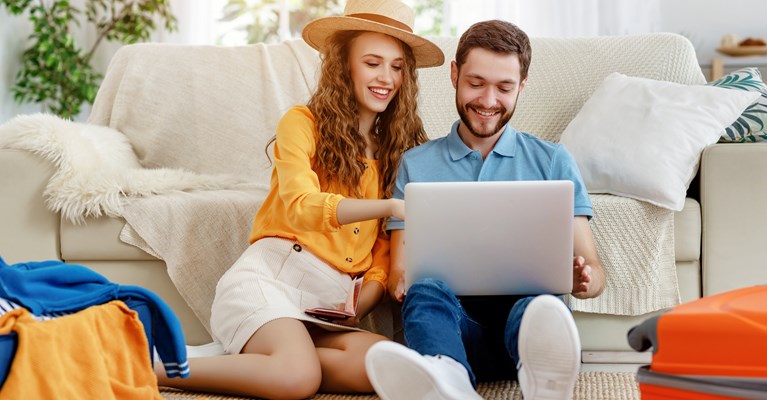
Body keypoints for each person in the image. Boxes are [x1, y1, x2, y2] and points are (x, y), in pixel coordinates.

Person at [154, 0, 444, 398]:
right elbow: (300, 204)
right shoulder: (301, 123)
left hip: (327, 308)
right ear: (344, 64)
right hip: (272, 279)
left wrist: (356, 307)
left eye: (397, 67)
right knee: (297, 379)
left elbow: (380, 256)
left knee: (382, 363)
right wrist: (390, 207)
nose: (386, 77)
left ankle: (262, 357)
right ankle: (153, 365)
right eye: (372, 62)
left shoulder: (397, 153)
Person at [364, 20, 606, 400]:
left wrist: (585, 279)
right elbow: (399, 268)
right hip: (457, 335)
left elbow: (595, 270)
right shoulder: (416, 164)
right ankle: (449, 380)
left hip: (527, 335)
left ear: (522, 87)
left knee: (541, 304)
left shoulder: (552, 161)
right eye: (476, 83)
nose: (488, 101)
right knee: (425, 290)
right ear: (454, 74)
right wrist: (399, 283)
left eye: (505, 88)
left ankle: (542, 380)